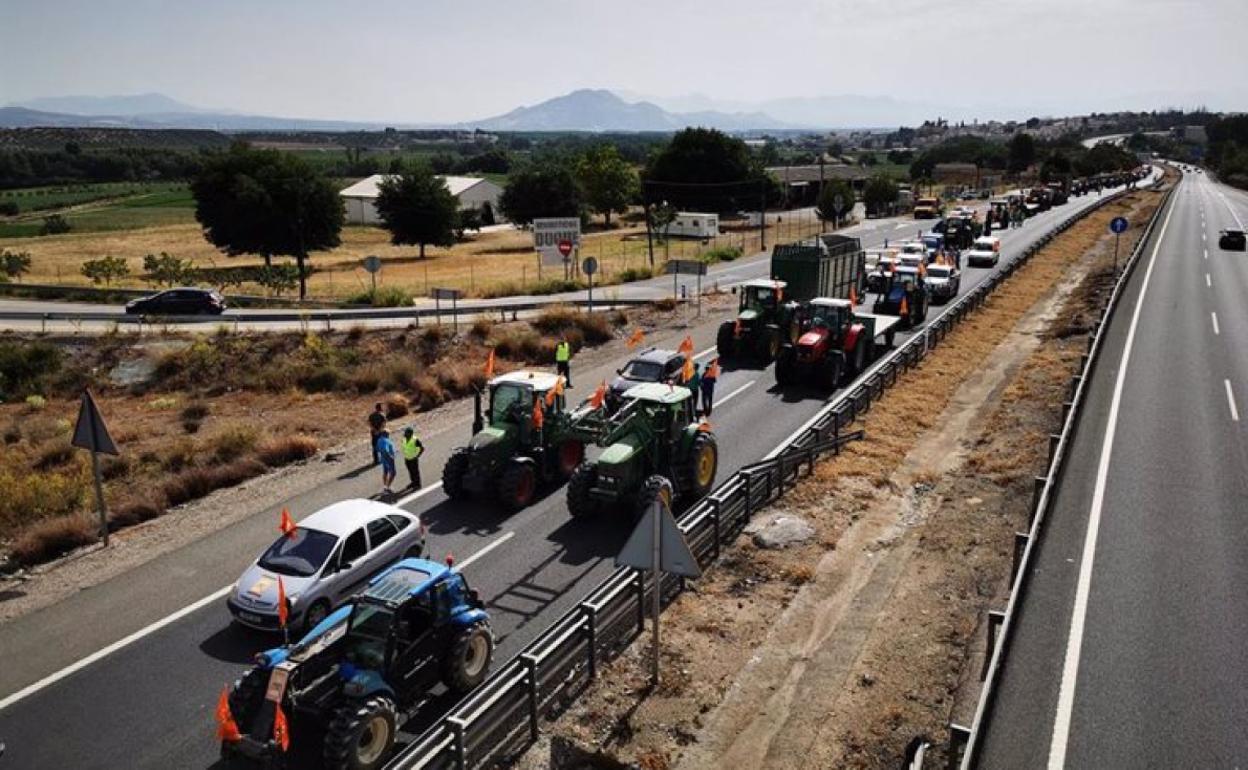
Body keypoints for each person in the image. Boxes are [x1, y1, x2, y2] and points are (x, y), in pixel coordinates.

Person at [376, 429, 397, 494]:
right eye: (388, 434)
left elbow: (378, 449)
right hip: (389, 459)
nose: (388, 435)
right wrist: (390, 456)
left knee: (385, 472)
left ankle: (385, 486)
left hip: (383, 459)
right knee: (393, 473)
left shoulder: (379, 440)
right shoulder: (385, 441)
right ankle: (388, 487)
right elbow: (385, 450)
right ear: (385, 434)